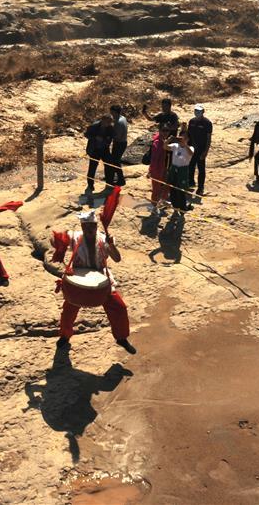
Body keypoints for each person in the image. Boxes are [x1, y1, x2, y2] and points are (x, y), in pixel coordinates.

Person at [54, 211, 136, 354]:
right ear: (82, 227)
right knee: (68, 311)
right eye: (86, 227)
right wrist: (60, 243)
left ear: (96, 225)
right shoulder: (75, 237)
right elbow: (55, 240)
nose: (90, 230)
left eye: (92, 226)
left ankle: (121, 338)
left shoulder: (104, 239)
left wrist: (112, 246)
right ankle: (65, 336)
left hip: (102, 281)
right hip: (78, 282)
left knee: (119, 307)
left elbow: (117, 259)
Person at [164, 128, 193, 213]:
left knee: (181, 191)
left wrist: (185, 144)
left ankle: (183, 208)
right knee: (172, 190)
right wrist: (169, 139)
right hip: (174, 169)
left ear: (188, 139)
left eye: (184, 137)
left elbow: (191, 153)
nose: (182, 139)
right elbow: (165, 147)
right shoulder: (175, 146)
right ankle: (175, 207)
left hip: (183, 170)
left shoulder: (190, 147)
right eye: (181, 137)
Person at [84, 114, 114, 196]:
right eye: (107, 122)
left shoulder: (110, 127)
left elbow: (111, 137)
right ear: (102, 120)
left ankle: (109, 184)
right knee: (92, 168)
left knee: (109, 166)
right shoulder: (94, 126)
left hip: (104, 149)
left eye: (110, 122)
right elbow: (86, 134)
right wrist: (95, 137)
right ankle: (90, 185)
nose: (109, 124)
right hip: (94, 149)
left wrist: (105, 140)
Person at [187, 103, 212, 198]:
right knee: (190, 166)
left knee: (201, 169)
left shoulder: (207, 123)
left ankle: (200, 187)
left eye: (199, 111)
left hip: (201, 149)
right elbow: (188, 135)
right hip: (192, 148)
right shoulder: (191, 121)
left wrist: (206, 151)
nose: (197, 113)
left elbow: (208, 138)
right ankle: (190, 183)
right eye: (196, 111)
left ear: (203, 112)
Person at [147, 124, 173, 214]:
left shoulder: (165, 141)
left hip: (165, 168)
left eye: (167, 131)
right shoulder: (157, 142)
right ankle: (154, 207)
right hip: (157, 169)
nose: (165, 133)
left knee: (166, 186)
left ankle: (163, 201)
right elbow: (154, 158)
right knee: (156, 189)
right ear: (160, 131)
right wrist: (150, 170)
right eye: (163, 131)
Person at [107, 105, 128, 187]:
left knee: (116, 162)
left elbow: (117, 136)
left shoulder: (119, 122)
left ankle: (121, 179)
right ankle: (116, 178)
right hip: (123, 142)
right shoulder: (123, 118)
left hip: (119, 143)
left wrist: (108, 135)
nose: (110, 114)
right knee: (115, 161)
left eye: (111, 112)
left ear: (115, 112)